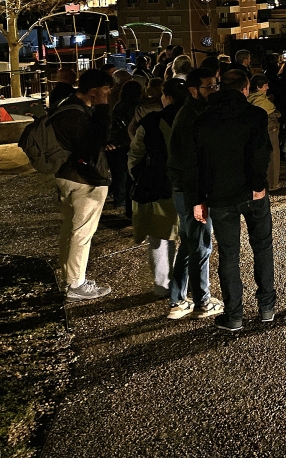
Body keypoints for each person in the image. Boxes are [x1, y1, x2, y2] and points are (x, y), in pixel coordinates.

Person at [183, 69, 275, 332]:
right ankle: (266, 307)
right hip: (252, 193)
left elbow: (195, 164)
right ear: (245, 88)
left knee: (229, 255)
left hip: (220, 195)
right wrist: (258, 185)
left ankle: (234, 315)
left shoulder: (203, 120)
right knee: (262, 247)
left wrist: (198, 199)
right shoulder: (255, 115)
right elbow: (261, 153)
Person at [49, 68, 114, 301]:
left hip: (66, 175)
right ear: (94, 90)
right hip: (82, 179)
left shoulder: (65, 106)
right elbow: (95, 141)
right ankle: (76, 284)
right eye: (106, 90)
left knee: (70, 230)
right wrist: (103, 109)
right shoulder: (77, 113)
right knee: (82, 233)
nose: (108, 94)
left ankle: (69, 279)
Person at [164, 68, 223, 320]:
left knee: (190, 243)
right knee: (200, 244)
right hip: (191, 189)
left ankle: (178, 300)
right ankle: (202, 301)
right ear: (193, 90)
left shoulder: (193, 112)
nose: (214, 90)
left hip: (185, 187)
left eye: (216, 85)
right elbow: (191, 162)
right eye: (209, 86)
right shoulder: (192, 117)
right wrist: (198, 198)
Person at [128, 79, 186, 299]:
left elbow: (135, 154)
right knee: (191, 237)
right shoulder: (197, 118)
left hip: (159, 185)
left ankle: (162, 285)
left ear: (167, 97)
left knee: (159, 236)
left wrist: (138, 176)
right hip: (189, 186)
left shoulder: (150, 122)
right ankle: (188, 283)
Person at [106, 80, 143, 218]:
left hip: (117, 144)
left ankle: (119, 200)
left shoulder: (118, 106)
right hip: (128, 143)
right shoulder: (137, 107)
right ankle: (127, 204)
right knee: (129, 176)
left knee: (119, 174)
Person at [248, 73, 281, 190]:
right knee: (273, 154)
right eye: (265, 85)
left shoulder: (251, 98)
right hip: (270, 128)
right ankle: (272, 182)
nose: (267, 87)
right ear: (258, 87)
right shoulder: (261, 101)